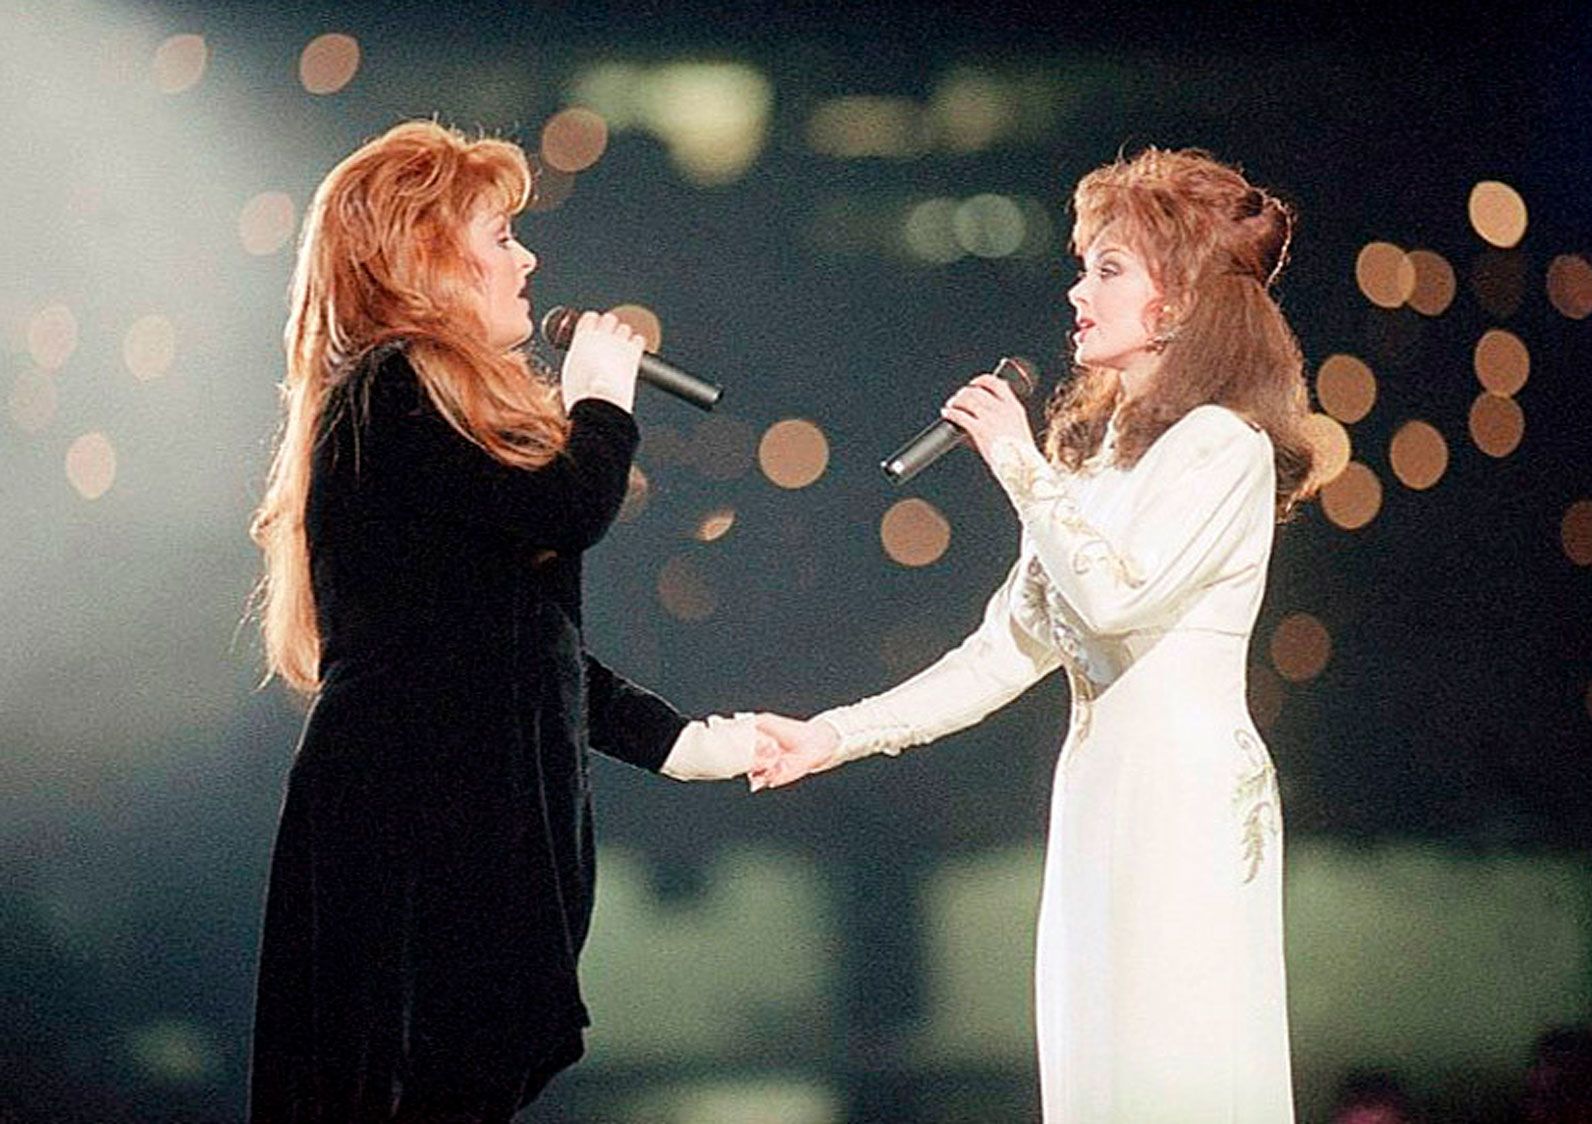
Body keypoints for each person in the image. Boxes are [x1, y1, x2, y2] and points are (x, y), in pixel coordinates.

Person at [752, 148, 1316, 1122]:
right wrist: (833, 734)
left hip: (1181, 800)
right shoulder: (1093, 462)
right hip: (1098, 794)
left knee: (1175, 1062)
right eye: (1084, 263)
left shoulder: (1224, 446)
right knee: (1095, 1066)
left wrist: (1017, 458)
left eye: (1107, 267)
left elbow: (1109, 599)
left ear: (1178, 298)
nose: (1075, 288)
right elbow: (1000, 651)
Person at [247, 120, 760, 1123]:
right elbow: (568, 508)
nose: (527, 258)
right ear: (425, 255)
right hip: (411, 837)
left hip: (451, 833)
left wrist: (683, 743)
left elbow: (518, 635)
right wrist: (602, 407)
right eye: (499, 236)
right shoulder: (390, 391)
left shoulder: (421, 405)